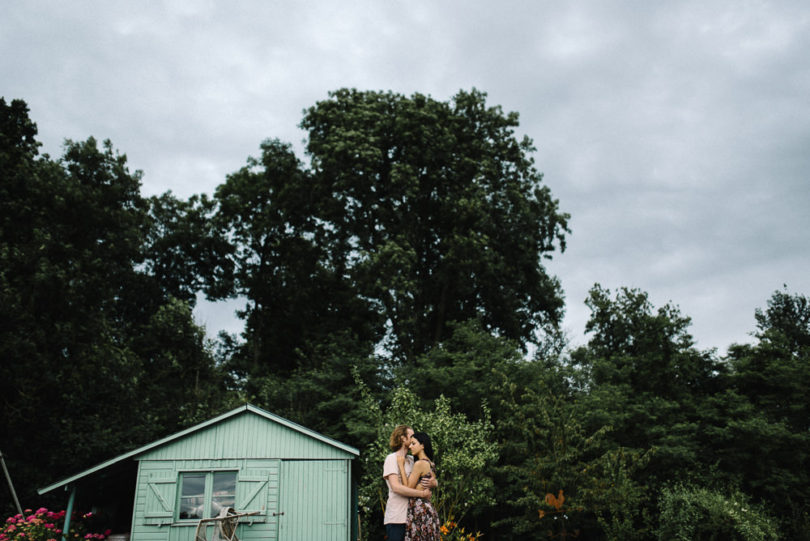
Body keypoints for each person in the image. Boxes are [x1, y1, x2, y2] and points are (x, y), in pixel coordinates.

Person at [383, 425, 436, 541]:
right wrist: (422, 494)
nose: (413, 439)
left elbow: (428, 472)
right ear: (403, 438)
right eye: (411, 436)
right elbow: (396, 488)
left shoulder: (413, 460)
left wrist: (434, 483)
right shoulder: (391, 458)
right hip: (397, 518)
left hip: (413, 517)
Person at [397, 432, 441, 541]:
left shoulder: (420, 464)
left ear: (422, 445)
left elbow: (408, 487)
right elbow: (433, 482)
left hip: (419, 509)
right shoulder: (431, 463)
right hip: (428, 509)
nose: (410, 446)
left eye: (413, 443)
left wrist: (401, 466)